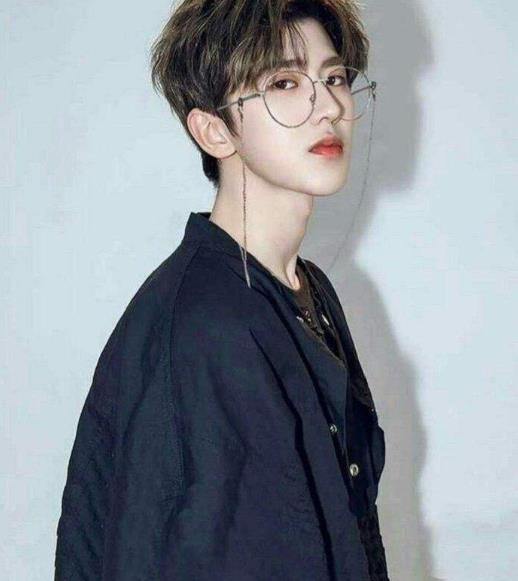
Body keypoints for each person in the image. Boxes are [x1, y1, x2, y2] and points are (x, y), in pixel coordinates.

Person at [54, 1, 389, 579]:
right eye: (284, 83)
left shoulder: (306, 289)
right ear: (213, 130)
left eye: (334, 77)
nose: (330, 106)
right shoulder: (210, 324)